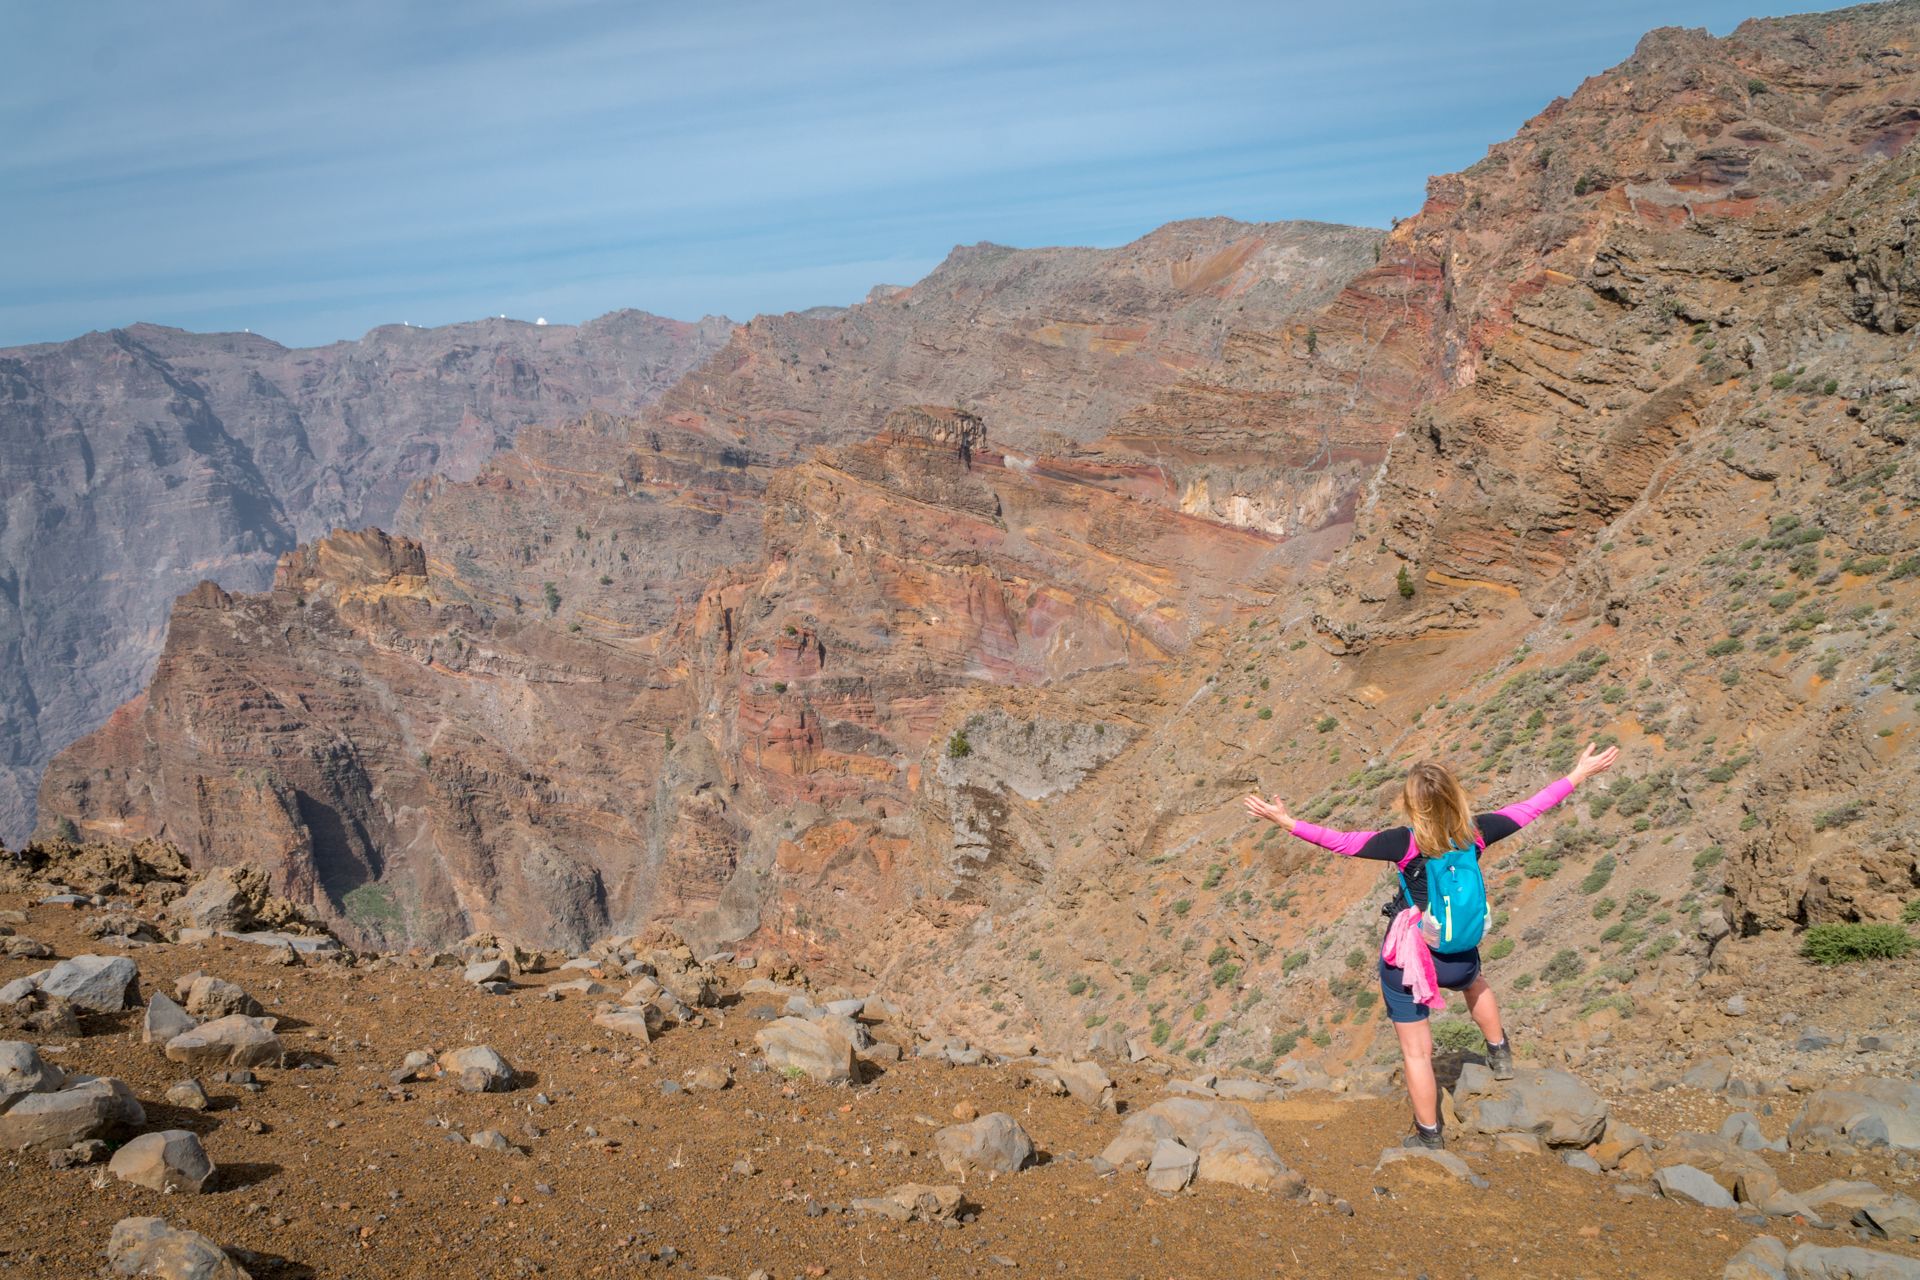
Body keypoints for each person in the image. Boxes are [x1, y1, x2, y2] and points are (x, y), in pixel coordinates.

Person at [1243, 742, 1619, 1148]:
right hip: (1459, 955)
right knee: (1475, 983)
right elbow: (1530, 808)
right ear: (1454, 795)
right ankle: (1500, 1055)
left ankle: (1429, 1136)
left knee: (1417, 1054)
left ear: (1412, 804)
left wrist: (1287, 822)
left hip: (1413, 958)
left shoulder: (1403, 842)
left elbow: (1341, 841)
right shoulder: (1476, 833)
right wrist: (1578, 774)